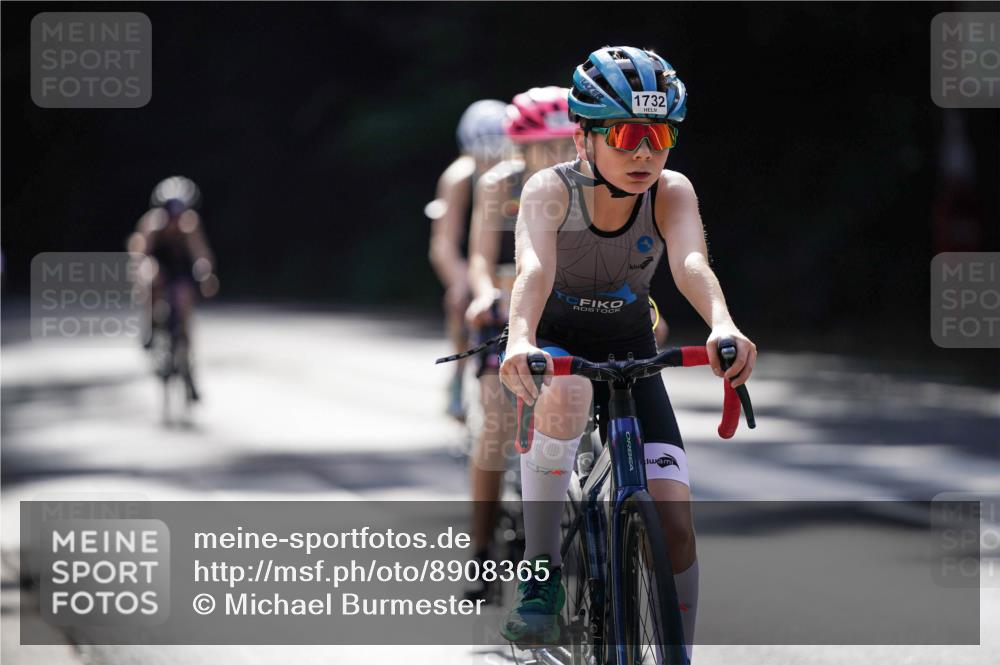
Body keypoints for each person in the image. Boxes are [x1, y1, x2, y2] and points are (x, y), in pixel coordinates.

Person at [497, 46, 757, 658]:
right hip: (558, 342)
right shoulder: (548, 189)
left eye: (660, 134)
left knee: (676, 530)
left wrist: (722, 324)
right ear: (584, 138)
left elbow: (691, 263)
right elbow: (532, 269)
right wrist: (520, 339)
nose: (645, 152)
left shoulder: (671, 191)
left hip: (632, 344)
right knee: (566, 393)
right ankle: (541, 578)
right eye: (627, 133)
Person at [462, 87, 578, 602]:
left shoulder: (588, 184)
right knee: (494, 426)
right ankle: (482, 553)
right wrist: (485, 291)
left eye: (564, 143)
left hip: (570, 312)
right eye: (543, 146)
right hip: (507, 313)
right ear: (520, 146)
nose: (556, 155)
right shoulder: (499, 184)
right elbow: (481, 256)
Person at [427, 100, 510, 421]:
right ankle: (460, 375)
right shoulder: (459, 176)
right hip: (475, 255)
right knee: (460, 298)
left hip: (511, 252)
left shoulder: (520, 171)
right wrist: (463, 283)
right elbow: (444, 243)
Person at [128, 176, 217, 400]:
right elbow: (140, 254)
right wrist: (139, 278)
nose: (175, 215)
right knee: (152, 277)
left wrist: (206, 274)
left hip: (180, 270)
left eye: (180, 209)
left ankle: (189, 370)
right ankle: (150, 325)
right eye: (170, 209)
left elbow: (201, 254)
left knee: (184, 300)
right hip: (159, 266)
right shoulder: (153, 224)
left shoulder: (190, 224)